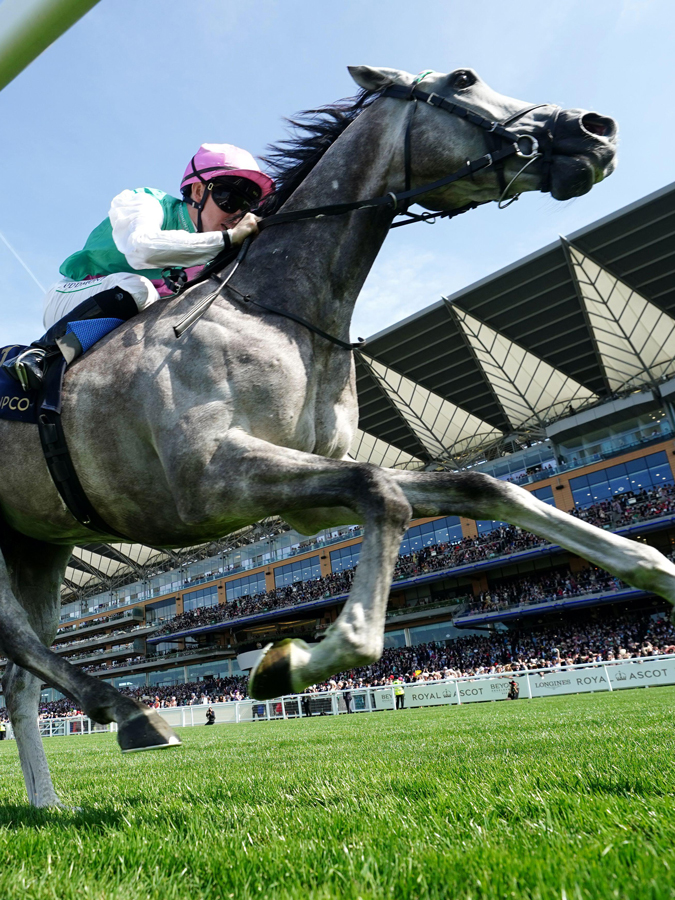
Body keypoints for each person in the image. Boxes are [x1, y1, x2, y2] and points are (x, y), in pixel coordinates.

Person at [5, 143, 274, 390]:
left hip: (133, 324)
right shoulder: (145, 201)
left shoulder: (218, 252)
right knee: (140, 288)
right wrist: (225, 239)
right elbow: (140, 248)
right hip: (71, 301)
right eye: (232, 200)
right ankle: (41, 353)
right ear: (199, 190)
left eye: (247, 206)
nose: (238, 215)